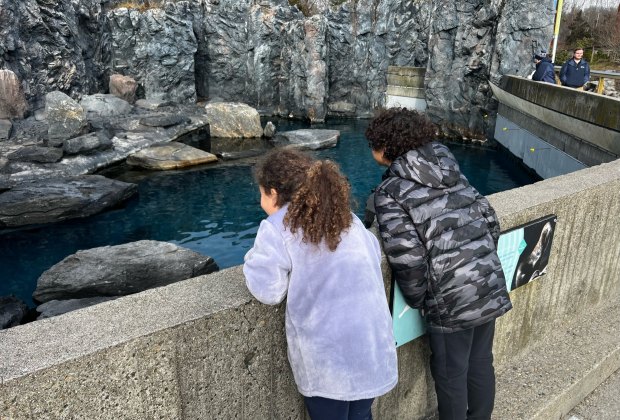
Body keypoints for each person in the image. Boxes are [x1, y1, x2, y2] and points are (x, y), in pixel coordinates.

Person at [365, 108, 512, 420]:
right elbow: (490, 219)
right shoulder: (449, 167)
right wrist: (478, 262)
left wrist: (420, 300)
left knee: (450, 374)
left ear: (386, 147)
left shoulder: (390, 192)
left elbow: (408, 258)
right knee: (481, 360)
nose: (371, 150)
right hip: (487, 280)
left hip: (450, 298)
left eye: (373, 143)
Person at [243, 148, 398, 420]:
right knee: (361, 415)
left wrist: (251, 259)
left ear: (273, 193)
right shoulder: (347, 218)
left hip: (329, 358)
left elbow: (268, 291)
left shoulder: (277, 227)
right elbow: (373, 254)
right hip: (370, 345)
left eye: (261, 192)